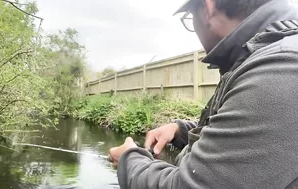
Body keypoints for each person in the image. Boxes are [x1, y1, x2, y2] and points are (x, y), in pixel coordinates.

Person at [108, 0, 298, 188]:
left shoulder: (280, 67)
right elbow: (244, 130)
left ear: (208, 7)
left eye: (190, 17)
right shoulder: (265, 56)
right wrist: (180, 130)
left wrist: (129, 159)